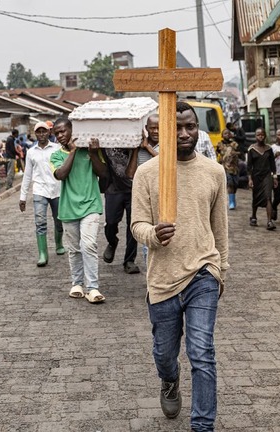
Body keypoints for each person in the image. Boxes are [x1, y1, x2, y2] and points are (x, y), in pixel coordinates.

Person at [131, 101, 229, 432]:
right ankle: (169, 381)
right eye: (178, 127)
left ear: (197, 128)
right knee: (164, 354)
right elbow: (137, 225)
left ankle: (203, 426)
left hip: (203, 273)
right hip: (162, 279)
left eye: (190, 126)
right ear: (166, 130)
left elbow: (221, 229)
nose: (185, 133)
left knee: (202, 353)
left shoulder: (214, 172)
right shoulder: (147, 173)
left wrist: (221, 272)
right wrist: (154, 235)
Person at [51, 117, 109, 303]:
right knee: (74, 249)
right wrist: (73, 152)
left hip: (91, 205)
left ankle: (92, 287)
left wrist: (93, 153)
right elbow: (61, 174)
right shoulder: (56, 155)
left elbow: (103, 173)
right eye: (57, 133)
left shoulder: (89, 151)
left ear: (72, 130)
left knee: (89, 244)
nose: (60, 135)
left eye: (63, 131)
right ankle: (77, 283)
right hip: (68, 208)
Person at [19, 121, 64, 267]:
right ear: (35, 134)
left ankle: (58, 243)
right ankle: (43, 254)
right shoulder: (31, 152)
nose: (42, 134)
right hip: (39, 190)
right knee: (40, 222)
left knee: (59, 221)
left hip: (57, 189)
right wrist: (23, 197)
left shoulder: (57, 148)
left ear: (49, 133)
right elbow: (27, 175)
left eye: (44, 131)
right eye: (39, 131)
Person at [127, 114, 160, 264]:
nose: (156, 131)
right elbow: (130, 173)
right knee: (147, 239)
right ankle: (151, 277)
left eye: (159, 128)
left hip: (161, 196)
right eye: (152, 128)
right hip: (145, 197)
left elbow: (166, 165)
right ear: (146, 129)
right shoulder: (139, 148)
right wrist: (136, 149)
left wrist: (148, 148)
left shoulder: (168, 146)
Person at [103, 145, 140, 275]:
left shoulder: (134, 141)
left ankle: (129, 260)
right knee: (111, 223)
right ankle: (112, 242)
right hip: (113, 188)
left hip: (133, 188)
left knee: (133, 225)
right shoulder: (106, 141)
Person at [247, 128, 278, 230]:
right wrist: (250, 179)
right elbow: (249, 166)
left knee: (268, 197)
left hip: (267, 176)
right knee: (255, 197)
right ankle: (254, 216)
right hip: (256, 176)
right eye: (258, 135)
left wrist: (274, 177)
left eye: (262, 134)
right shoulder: (252, 149)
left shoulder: (269, 149)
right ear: (255, 136)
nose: (260, 136)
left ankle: (269, 221)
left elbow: (273, 165)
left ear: (265, 136)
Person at [221, 139, 241, 210]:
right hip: (228, 170)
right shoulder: (225, 150)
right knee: (230, 184)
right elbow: (223, 160)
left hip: (235, 171)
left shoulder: (235, 153)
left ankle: (233, 199)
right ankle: (231, 202)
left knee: (235, 185)